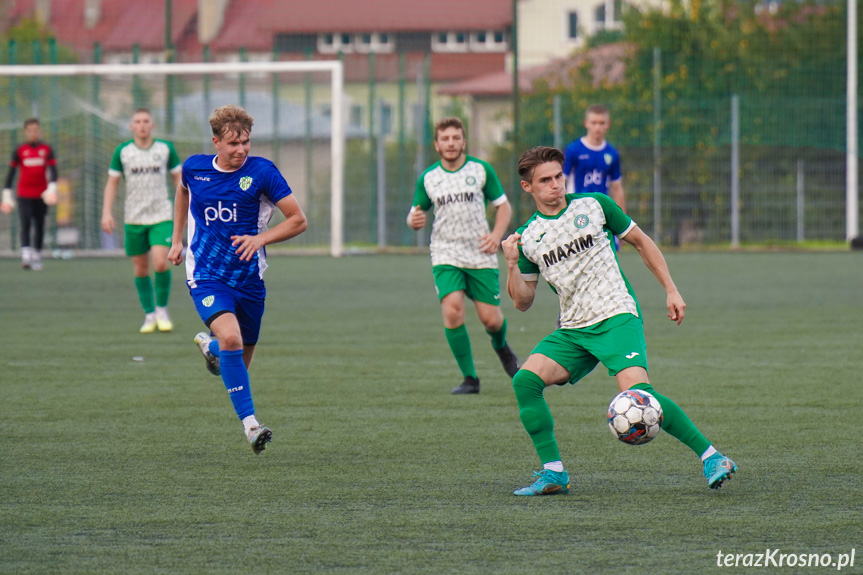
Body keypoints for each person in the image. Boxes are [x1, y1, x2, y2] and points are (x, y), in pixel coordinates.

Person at [501, 146, 737, 496]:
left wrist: (671, 289)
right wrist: (509, 263)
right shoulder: (529, 237)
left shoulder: (594, 205)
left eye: (558, 177)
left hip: (615, 315)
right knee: (525, 382)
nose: (555, 185)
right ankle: (554, 474)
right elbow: (522, 302)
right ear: (528, 188)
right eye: (545, 180)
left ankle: (713, 457)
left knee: (640, 394)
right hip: (573, 329)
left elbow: (642, 243)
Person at [168, 104, 307, 454]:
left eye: (246, 142)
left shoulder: (263, 172)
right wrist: (176, 239)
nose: (241, 149)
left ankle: (209, 346)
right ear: (216, 142)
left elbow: (298, 220)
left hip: (249, 279)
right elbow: (182, 190)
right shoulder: (194, 168)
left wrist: (260, 239)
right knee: (231, 338)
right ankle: (251, 427)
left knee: (238, 356)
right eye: (233, 144)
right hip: (206, 274)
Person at [407, 117, 519, 395]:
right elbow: (415, 212)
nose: (451, 143)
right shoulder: (429, 178)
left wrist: (496, 236)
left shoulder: (481, 171)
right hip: (445, 253)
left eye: (456, 138)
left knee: (491, 320)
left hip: (480, 252)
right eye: (445, 139)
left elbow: (504, 207)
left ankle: (502, 347)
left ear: (464, 141)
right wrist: (414, 220)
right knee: (453, 311)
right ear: (437, 144)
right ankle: (470, 379)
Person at [101, 108, 183, 333]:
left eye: (146, 121)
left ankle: (162, 310)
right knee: (140, 267)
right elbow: (113, 183)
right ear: (131, 126)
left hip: (161, 215)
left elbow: (179, 179)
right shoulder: (123, 152)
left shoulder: (165, 149)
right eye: (137, 121)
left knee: (160, 262)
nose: (142, 125)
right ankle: (149, 314)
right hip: (134, 217)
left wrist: (185, 206)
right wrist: (106, 212)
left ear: (152, 125)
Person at [2, 118, 59, 271]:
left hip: (41, 195)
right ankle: (26, 255)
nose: (34, 133)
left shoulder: (47, 149)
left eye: (36, 130)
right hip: (24, 194)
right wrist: (6, 193)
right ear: (25, 132)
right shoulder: (19, 150)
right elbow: (11, 173)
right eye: (30, 130)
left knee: (39, 224)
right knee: (25, 222)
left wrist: (52, 188)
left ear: (40, 131)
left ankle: (37, 255)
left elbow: (53, 171)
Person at [562, 104, 626, 212]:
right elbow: (561, 181)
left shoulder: (612, 153)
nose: (598, 127)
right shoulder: (573, 150)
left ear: (608, 124)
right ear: (586, 123)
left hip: (600, 211)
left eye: (601, 123)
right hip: (575, 210)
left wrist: (623, 219)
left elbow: (616, 188)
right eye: (594, 123)